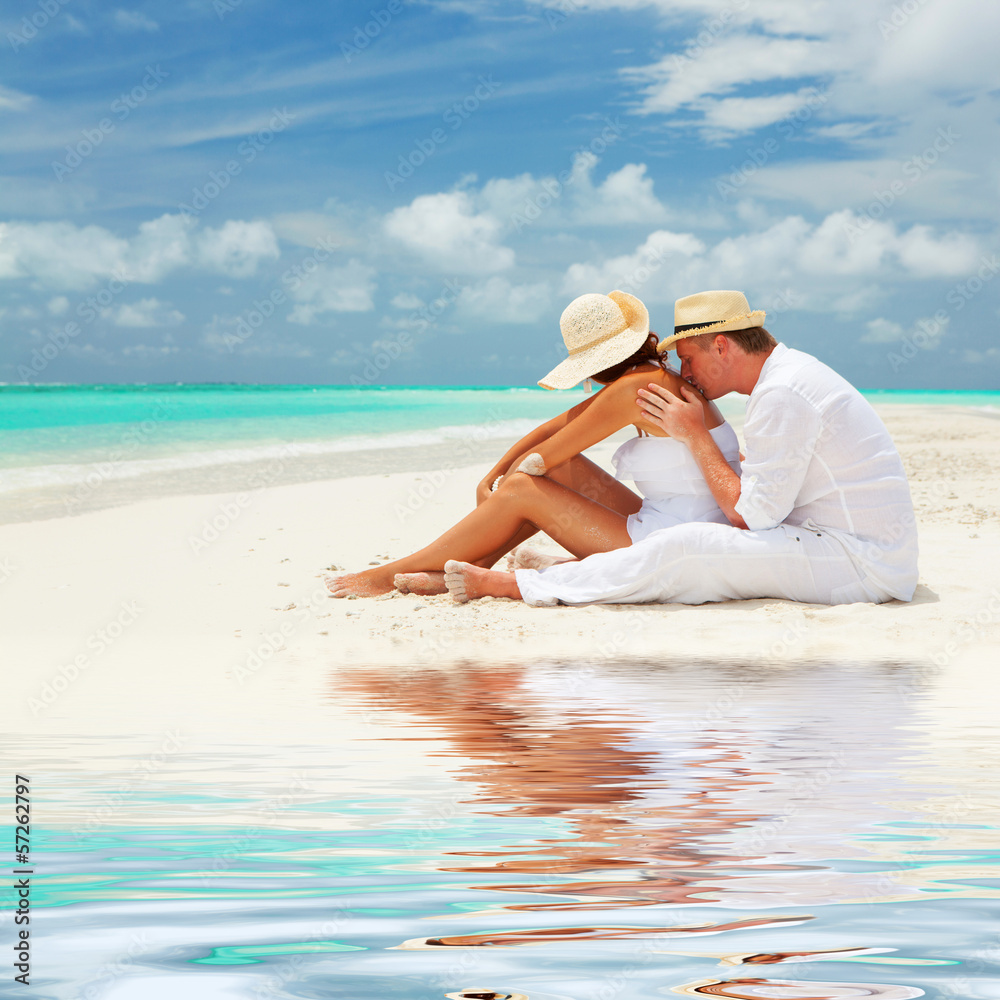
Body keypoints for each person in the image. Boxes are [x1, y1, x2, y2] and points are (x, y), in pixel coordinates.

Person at [442, 289, 919, 607]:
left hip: (861, 564)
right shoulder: (788, 377)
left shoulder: (782, 392)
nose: (685, 374)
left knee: (687, 546)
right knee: (685, 547)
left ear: (723, 348)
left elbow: (749, 517)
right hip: (852, 546)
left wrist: (694, 435)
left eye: (689, 359)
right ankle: (563, 570)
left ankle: (519, 587)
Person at [327, 290, 741, 598]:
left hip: (672, 539)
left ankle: (393, 573)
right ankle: (472, 562)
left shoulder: (635, 389)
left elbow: (543, 458)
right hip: (683, 518)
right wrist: (491, 475)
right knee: (535, 477)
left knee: (525, 486)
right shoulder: (650, 377)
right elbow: (554, 427)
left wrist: (502, 486)